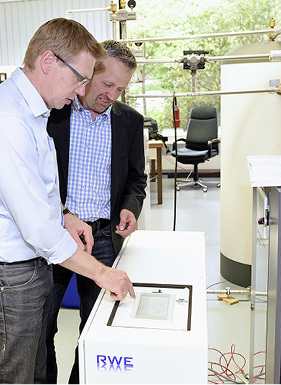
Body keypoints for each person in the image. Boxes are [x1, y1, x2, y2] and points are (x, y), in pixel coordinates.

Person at [0, 19, 136, 384]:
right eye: (81, 78)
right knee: (17, 373)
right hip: (14, 275)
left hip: (34, 266)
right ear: (49, 61)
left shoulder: (33, 111)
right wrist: (103, 272)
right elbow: (37, 228)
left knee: (34, 366)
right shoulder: (10, 120)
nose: (81, 91)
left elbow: (39, 190)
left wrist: (63, 214)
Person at [45, 40, 147, 383]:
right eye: (107, 84)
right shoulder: (53, 113)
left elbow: (136, 178)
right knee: (41, 327)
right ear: (88, 74)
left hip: (102, 238)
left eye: (121, 88)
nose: (112, 95)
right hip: (52, 237)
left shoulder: (130, 122)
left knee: (95, 330)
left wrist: (131, 207)